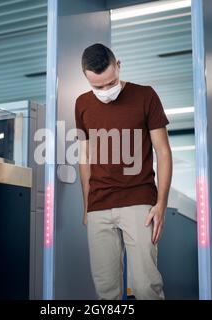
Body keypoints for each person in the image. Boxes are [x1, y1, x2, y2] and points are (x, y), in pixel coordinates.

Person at [75, 43, 173, 300]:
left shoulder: (145, 96)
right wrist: (86, 204)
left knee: (145, 287)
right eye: (98, 87)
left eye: (111, 83)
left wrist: (161, 203)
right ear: (86, 77)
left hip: (139, 201)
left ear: (118, 66)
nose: (106, 91)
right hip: (99, 205)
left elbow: (163, 152)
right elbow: (84, 157)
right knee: (106, 290)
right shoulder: (82, 104)